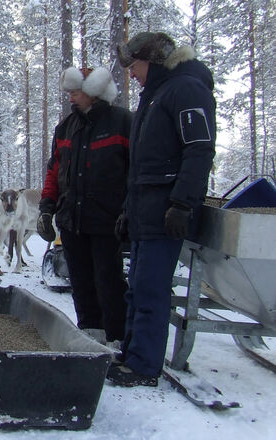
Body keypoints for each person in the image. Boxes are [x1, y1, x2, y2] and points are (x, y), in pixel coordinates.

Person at [108, 32, 216, 387]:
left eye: (134, 65)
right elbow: (141, 167)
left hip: (165, 211)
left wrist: (182, 204)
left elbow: (198, 150)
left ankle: (144, 365)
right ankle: (132, 352)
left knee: (152, 288)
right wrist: (128, 209)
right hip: (145, 210)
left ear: (151, 60)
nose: (131, 73)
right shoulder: (155, 96)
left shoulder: (186, 90)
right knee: (136, 286)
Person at [37, 66, 131, 349]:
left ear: (94, 92)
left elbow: (135, 172)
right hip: (72, 221)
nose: (71, 99)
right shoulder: (66, 128)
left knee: (109, 284)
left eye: (76, 93)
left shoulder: (124, 123)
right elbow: (54, 171)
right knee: (80, 284)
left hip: (108, 222)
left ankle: (117, 339)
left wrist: (129, 210)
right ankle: (91, 337)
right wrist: (46, 207)